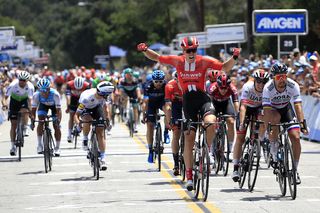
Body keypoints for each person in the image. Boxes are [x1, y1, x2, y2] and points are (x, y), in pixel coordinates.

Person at [137, 36, 240, 190]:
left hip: (202, 98)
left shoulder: (203, 61)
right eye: (188, 50)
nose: (191, 53)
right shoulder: (177, 61)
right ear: (183, 50)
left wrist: (235, 57)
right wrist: (145, 50)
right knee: (189, 137)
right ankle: (190, 175)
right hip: (188, 102)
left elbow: (224, 67)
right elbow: (157, 57)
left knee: (211, 122)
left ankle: (209, 150)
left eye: (194, 50)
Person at [263, 63, 308, 184]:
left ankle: (295, 170)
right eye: (278, 77)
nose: (282, 79)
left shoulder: (293, 85)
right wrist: (268, 128)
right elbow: (266, 111)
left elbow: (297, 106)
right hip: (273, 110)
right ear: (273, 78)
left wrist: (302, 124)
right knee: (275, 119)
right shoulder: (268, 88)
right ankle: (273, 148)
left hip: (287, 109)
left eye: (284, 76)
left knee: (296, 137)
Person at [232, 69, 269, 182]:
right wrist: (242, 123)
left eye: (264, 82)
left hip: (258, 109)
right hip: (247, 109)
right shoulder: (248, 87)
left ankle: (258, 140)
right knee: (240, 137)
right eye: (258, 81)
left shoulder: (268, 89)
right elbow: (243, 107)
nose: (261, 84)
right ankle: (236, 167)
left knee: (262, 118)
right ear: (254, 81)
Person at [73, 81, 114, 170]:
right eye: (106, 95)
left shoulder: (104, 97)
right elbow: (76, 114)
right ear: (102, 93)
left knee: (101, 132)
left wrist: (107, 121)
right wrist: (78, 124)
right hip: (86, 109)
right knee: (87, 120)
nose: (108, 96)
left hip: (97, 108)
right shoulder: (86, 98)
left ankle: (103, 158)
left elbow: (106, 110)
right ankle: (85, 138)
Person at [1, 71, 34, 156]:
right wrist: (4, 105)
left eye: (24, 80)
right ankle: (12, 147)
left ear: (27, 81)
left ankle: (25, 127)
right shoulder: (13, 85)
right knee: (13, 125)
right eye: (20, 80)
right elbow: (5, 98)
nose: (22, 82)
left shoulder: (30, 87)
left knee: (25, 110)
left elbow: (30, 101)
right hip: (14, 102)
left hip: (24, 100)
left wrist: (30, 111)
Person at [208, 73, 239, 155]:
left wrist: (238, 114)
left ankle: (230, 148)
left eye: (226, 88)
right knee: (211, 121)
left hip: (226, 104)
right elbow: (208, 102)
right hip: (214, 103)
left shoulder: (232, 88)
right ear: (218, 85)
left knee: (231, 122)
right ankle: (210, 148)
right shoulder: (212, 87)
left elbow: (236, 102)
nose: (223, 90)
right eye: (221, 88)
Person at [142, 70, 168, 163]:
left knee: (167, 109)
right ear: (152, 81)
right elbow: (145, 102)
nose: (158, 83)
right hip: (151, 105)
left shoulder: (166, 86)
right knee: (149, 125)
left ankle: (166, 132)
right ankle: (150, 150)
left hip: (162, 102)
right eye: (156, 81)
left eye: (160, 81)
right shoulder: (148, 86)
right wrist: (144, 114)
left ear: (163, 80)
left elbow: (169, 101)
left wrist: (169, 116)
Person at [30, 78, 62, 156]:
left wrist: (58, 120)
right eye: (42, 90)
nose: (44, 92)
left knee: (56, 126)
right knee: (40, 121)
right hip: (43, 106)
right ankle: (40, 145)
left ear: (49, 88)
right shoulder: (36, 95)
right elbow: (33, 110)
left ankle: (57, 147)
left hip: (54, 107)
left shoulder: (55, 94)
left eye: (46, 90)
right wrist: (32, 121)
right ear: (39, 90)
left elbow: (59, 110)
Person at [164, 71, 183, 175]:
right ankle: (176, 163)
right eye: (178, 80)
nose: (180, 82)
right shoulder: (170, 86)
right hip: (176, 106)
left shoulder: (189, 84)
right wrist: (169, 120)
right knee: (176, 134)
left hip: (187, 105)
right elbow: (167, 106)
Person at [65, 76, 90, 142]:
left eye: (80, 89)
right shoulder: (69, 84)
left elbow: (88, 97)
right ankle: (69, 134)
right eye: (76, 89)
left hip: (83, 99)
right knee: (71, 116)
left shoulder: (87, 85)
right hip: (73, 98)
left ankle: (80, 126)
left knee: (84, 113)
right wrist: (68, 106)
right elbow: (68, 96)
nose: (78, 91)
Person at [119, 68, 142, 132]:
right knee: (124, 97)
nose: (129, 76)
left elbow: (138, 89)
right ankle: (125, 110)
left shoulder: (135, 80)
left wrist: (139, 97)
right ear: (125, 75)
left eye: (130, 74)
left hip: (133, 92)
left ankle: (135, 125)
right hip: (125, 92)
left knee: (135, 108)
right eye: (128, 74)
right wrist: (121, 97)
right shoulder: (122, 81)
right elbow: (120, 90)